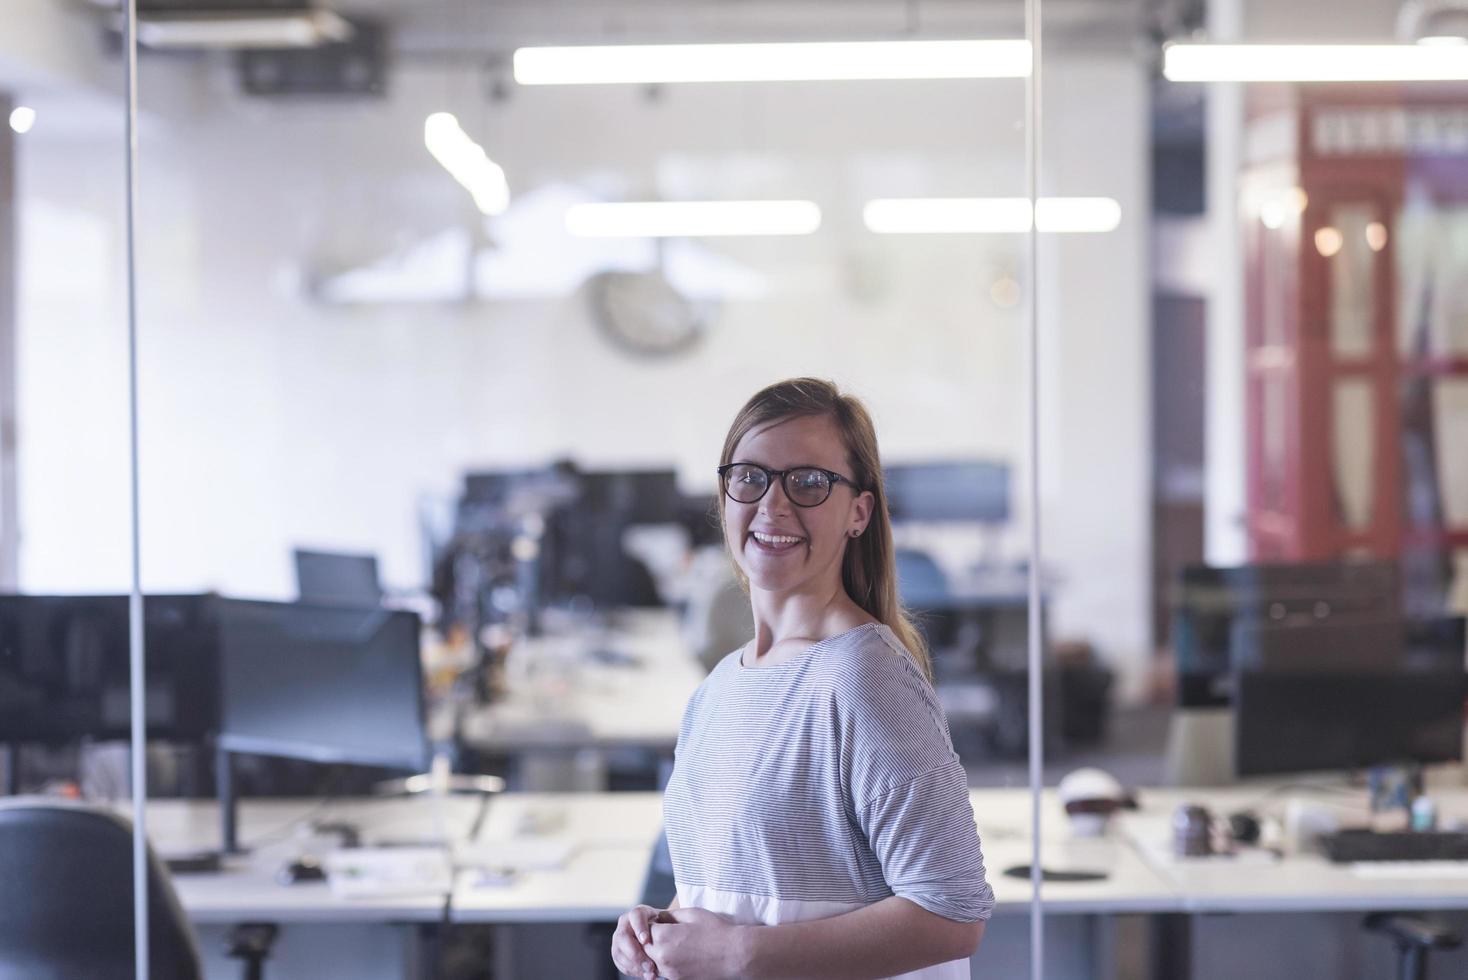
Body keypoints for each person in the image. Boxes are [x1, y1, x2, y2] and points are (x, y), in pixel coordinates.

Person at [612, 378, 993, 980]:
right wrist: (664, 927)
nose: (773, 504)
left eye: (809, 482)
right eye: (750, 477)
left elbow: (953, 912)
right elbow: (743, 893)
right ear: (724, 494)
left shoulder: (862, 676)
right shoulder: (716, 690)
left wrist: (740, 956)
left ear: (859, 512)